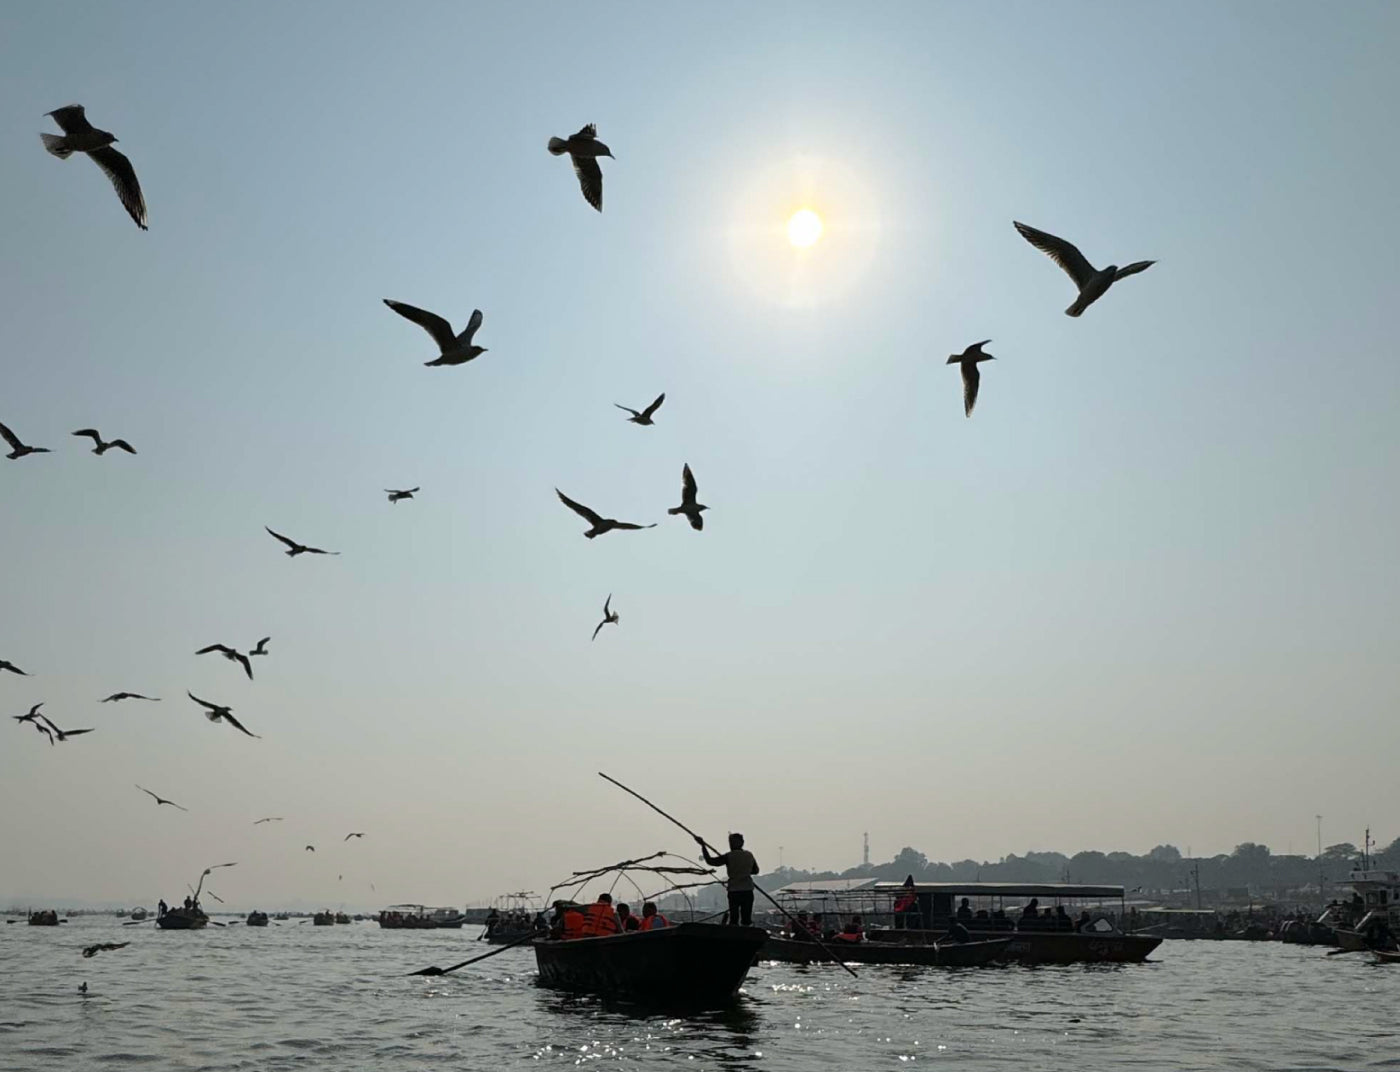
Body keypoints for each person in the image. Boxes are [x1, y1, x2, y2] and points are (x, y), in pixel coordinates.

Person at [696, 833, 760, 927]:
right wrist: (744, 871)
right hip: (747, 890)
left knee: (734, 919)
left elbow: (711, 861)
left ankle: (734, 932)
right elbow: (755, 871)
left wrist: (703, 846)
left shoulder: (729, 856)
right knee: (746, 919)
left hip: (734, 891)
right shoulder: (749, 855)